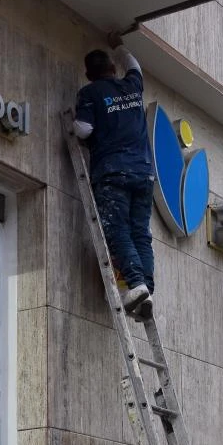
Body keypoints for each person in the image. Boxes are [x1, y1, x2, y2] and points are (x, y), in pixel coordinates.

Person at [73, 35, 155, 318]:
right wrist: (118, 45)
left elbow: (83, 129)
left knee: (117, 229)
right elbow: (135, 65)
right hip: (144, 173)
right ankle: (147, 288)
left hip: (113, 171)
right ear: (112, 67)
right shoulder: (132, 85)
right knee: (140, 233)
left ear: (89, 74)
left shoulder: (90, 93)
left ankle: (136, 284)